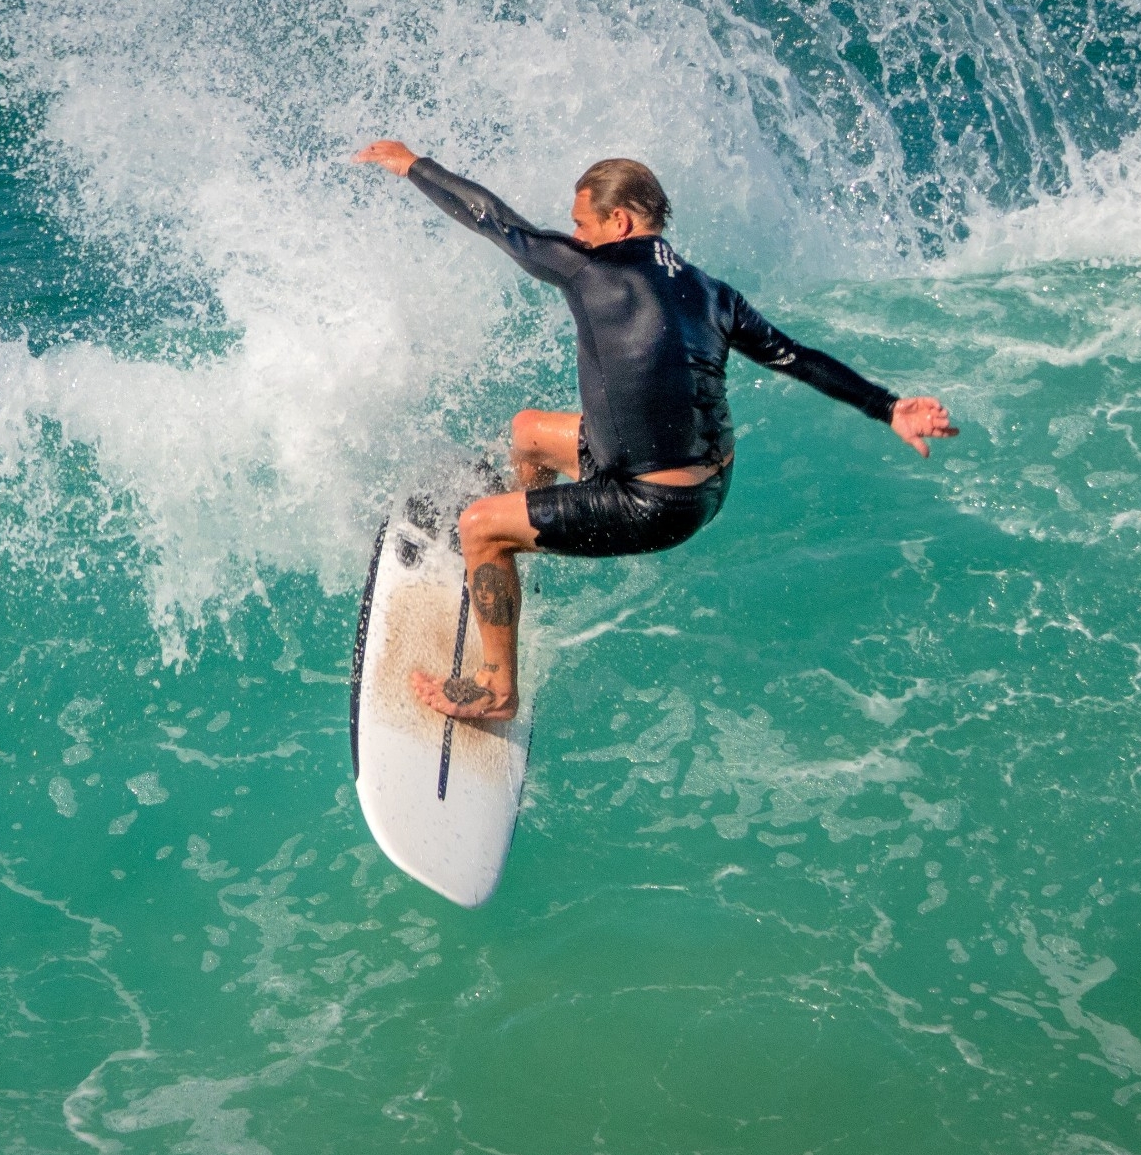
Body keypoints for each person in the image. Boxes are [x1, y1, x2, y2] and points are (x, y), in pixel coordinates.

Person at [352, 142, 957, 724]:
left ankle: (496, 686)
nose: (576, 235)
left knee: (477, 525)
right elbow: (793, 357)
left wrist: (413, 166)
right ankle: (522, 553)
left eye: (582, 223)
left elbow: (496, 222)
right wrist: (889, 406)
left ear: (617, 221)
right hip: (707, 485)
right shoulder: (713, 293)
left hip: (650, 503)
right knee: (528, 432)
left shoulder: (589, 269)